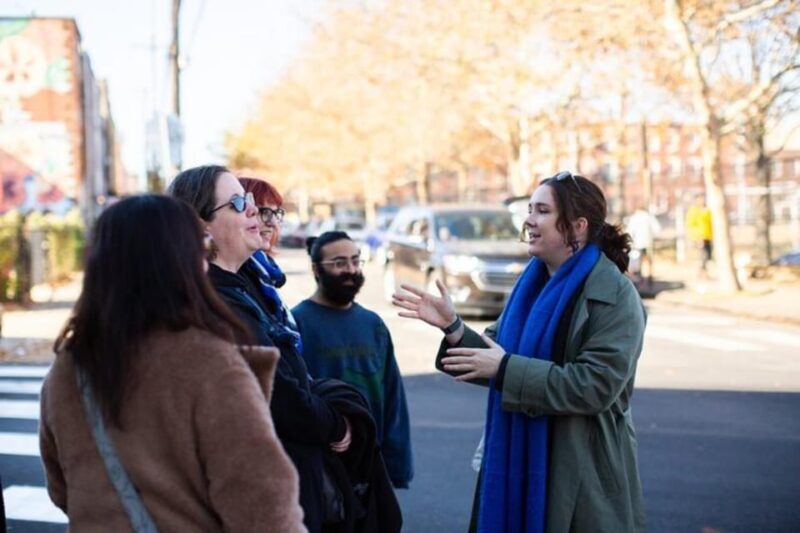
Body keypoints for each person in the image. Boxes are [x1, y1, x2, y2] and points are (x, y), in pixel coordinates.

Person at [392, 171, 647, 533]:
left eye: (542, 211)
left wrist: (506, 369)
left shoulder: (615, 294)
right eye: (529, 209)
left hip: (581, 472)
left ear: (577, 226)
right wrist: (453, 327)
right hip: (517, 455)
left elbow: (596, 385)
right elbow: (495, 357)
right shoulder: (532, 284)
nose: (528, 220)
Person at [39, 195, 305, 531]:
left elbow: (62, 489)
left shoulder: (69, 366)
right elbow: (263, 505)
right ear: (184, 261)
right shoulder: (210, 363)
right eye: (201, 248)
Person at [169, 166, 350, 532]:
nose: (254, 211)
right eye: (238, 203)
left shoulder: (246, 281)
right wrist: (335, 424)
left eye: (249, 199)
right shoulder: (214, 304)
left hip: (291, 475)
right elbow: (279, 396)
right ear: (203, 227)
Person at [292, 231, 414, 489]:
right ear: (316, 269)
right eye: (339, 263)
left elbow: (393, 397)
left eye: (355, 261)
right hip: (320, 468)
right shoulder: (296, 323)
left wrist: (397, 466)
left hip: (371, 465)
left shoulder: (373, 324)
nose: (350, 270)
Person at [626, 203, 661, 285]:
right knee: (649, 260)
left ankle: (640, 278)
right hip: (648, 243)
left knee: (638, 261)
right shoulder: (649, 217)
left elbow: (629, 232)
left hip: (637, 244)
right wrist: (652, 237)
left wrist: (629, 243)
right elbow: (657, 229)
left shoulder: (634, 218)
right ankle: (650, 276)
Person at [685, 194, 713, 277]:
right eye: (700, 199)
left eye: (703, 199)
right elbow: (690, 225)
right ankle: (701, 273)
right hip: (699, 237)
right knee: (703, 256)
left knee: (708, 255)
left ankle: (704, 272)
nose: (702, 201)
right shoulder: (693, 211)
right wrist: (698, 237)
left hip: (708, 236)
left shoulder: (707, 210)